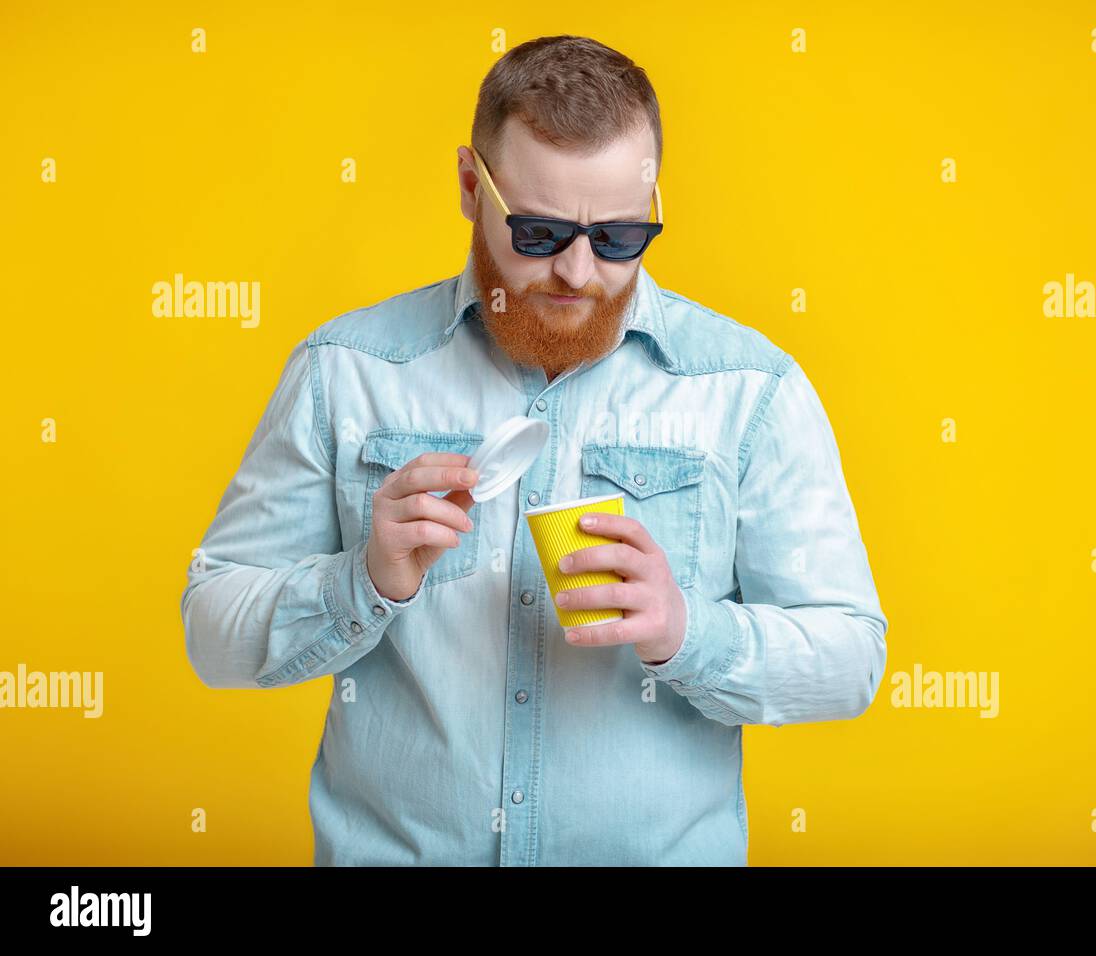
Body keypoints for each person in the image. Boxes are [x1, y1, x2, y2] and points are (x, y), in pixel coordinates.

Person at [181, 33, 888, 866]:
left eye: (621, 237)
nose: (580, 273)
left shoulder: (747, 389)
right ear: (470, 187)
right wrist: (360, 581)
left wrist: (687, 633)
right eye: (541, 232)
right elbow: (210, 634)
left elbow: (850, 660)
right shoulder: (348, 373)